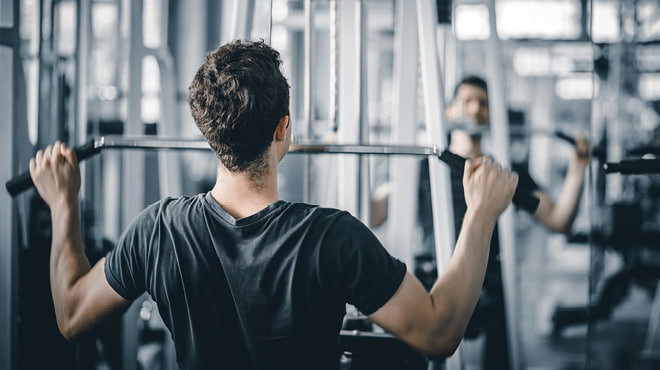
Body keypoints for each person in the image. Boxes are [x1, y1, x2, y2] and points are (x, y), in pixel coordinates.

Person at [28, 41, 518, 370]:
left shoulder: (157, 230)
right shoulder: (332, 237)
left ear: (208, 133)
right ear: (284, 129)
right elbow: (438, 333)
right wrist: (480, 214)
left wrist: (62, 204)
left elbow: (70, 316)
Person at [413, 75, 591, 370]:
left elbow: (560, 221)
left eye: (482, 103)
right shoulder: (425, 168)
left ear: (491, 114)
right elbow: (374, 210)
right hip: (433, 279)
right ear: (449, 111)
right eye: (467, 102)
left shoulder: (503, 173)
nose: (474, 110)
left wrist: (578, 167)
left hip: (488, 285)